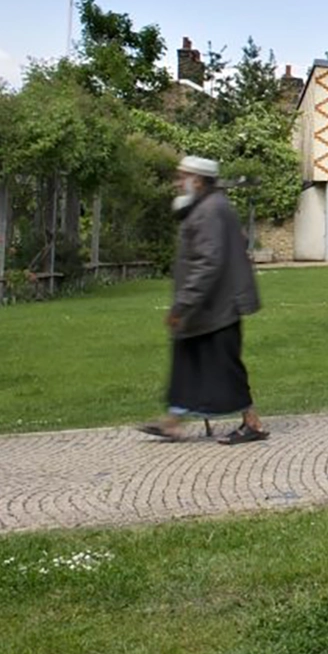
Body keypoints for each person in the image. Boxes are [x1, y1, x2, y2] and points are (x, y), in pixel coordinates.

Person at [138, 156, 269, 445]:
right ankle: (172, 422)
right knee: (186, 363)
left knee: (224, 366)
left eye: (181, 176)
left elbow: (208, 263)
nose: (177, 181)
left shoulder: (211, 210)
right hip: (207, 307)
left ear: (197, 180)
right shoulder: (207, 206)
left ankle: (253, 424)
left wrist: (183, 304)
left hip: (217, 307)